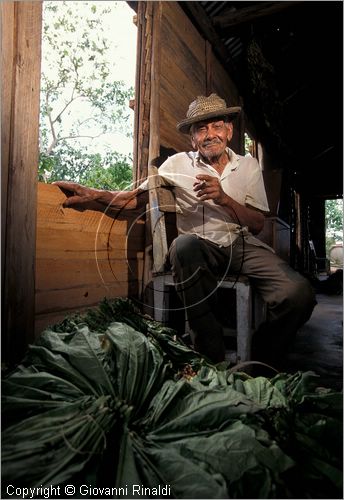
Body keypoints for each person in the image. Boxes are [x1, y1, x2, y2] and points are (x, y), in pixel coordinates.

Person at [54, 93, 316, 366]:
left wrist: (224, 199)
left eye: (216, 126)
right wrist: (93, 194)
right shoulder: (177, 165)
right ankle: (209, 355)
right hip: (199, 249)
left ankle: (260, 359)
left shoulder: (247, 165)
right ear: (192, 138)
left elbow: (258, 223)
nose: (209, 134)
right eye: (201, 129)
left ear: (229, 130)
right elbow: (133, 198)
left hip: (242, 245)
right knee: (183, 245)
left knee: (298, 294)